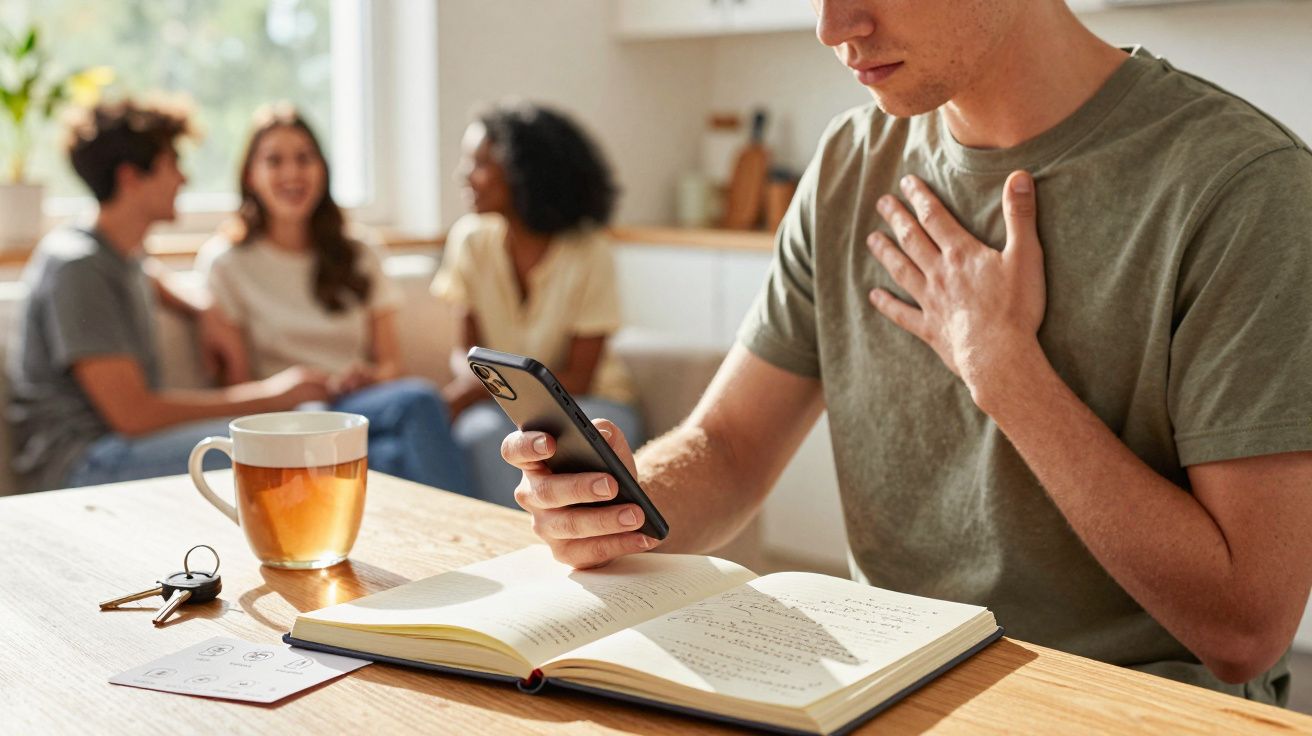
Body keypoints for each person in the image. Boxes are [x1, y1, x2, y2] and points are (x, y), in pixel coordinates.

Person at [500, 0, 1312, 705]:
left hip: (1132, 704)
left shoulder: (1244, 189)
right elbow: (732, 446)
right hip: (885, 685)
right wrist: (626, 500)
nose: (831, 27)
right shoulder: (850, 165)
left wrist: (1007, 374)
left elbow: (1246, 629)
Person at [6, 99, 331, 492]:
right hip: (84, 464)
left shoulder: (119, 253)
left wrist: (203, 307)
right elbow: (134, 414)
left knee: (311, 428)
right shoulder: (78, 267)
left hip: (119, 448)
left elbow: (146, 273)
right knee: (292, 441)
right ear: (130, 178)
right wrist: (270, 396)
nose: (184, 179)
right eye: (172, 163)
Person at [195, 105, 470, 493]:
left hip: (361, 405)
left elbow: (392, 364)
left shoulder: (360, 251)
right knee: (384, 452)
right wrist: (287, 390)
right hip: (288, 416)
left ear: (322, 170)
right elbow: (239, 391)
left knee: (419, 398)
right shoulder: (226, 263)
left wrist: (370, 377)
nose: (292, 173)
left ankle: (466, 539)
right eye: (274, 161)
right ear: (250, 176)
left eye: (304, 158)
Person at [431, 102, 644, 507]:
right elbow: (466, 352)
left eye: (479, 162)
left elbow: (581, 376)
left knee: (565, 436)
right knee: (478, 433)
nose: (464, 174)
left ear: (522, 173)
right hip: (506, 402)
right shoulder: (470, 241)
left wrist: (483, 392)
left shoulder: (590, 251)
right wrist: (476, 386)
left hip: (588, 401)